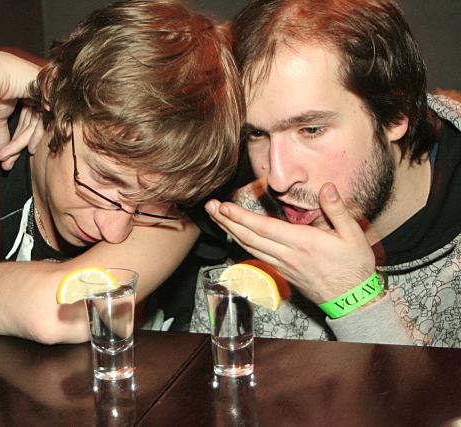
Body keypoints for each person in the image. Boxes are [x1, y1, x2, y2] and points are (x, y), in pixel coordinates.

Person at [0, 0, 242, 351]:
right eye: (103, 179)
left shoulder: (178, 189)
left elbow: (60, 312)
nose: (114, 230)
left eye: (147, 207)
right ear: (55, 107)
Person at [192, 0, 461, 347]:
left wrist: (354, 300)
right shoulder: (250, 216)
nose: (278, 179)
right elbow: (209, 373)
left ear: (396, 114)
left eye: (311, 130)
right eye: (256, 134)